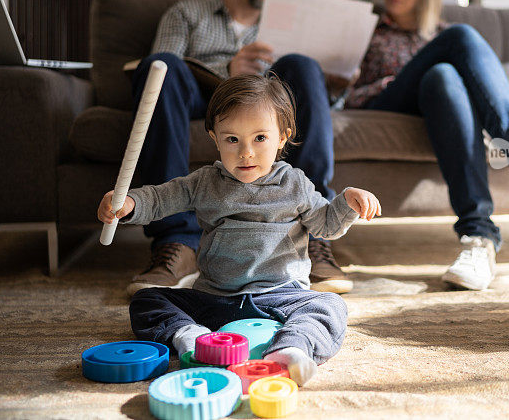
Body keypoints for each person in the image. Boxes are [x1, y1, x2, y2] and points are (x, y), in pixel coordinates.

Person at [98, 74, 381, 385]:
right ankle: (191, 337)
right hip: (215, 300)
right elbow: (162, 197)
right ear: (214, 137)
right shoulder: (204, 182)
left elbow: (325, 224)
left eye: (260, 138)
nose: (246, 152)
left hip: (282, 296)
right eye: (232, 139)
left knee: (330, 306)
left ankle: (292, 348)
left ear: (282, 138)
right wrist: (130, 203)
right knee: (147, 301)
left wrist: (347, 203)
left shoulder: (296, 184)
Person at [127, 0, 352, 297]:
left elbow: (303, 93)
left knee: (303, 64)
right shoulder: (187, 13)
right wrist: (227, 73)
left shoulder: (289, 22)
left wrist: (340, 86)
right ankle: (177, 243)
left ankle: (311, 226)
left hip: (265, 105)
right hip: (200, 96)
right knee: (162, 64)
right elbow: (157, 75)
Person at [344, 0, 509, 291]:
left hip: (435, 102)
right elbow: (347, 96)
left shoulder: (439, 34)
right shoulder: (368, 28)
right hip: (386, 102)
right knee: (460, 38)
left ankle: (478, 237)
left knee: (443, 76)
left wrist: (427, 72)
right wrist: (398, 79)